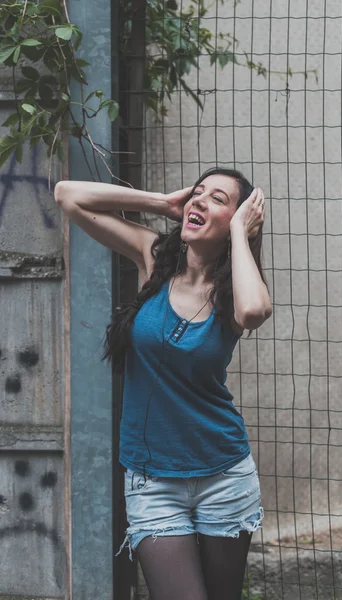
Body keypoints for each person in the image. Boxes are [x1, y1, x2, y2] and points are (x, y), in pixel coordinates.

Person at [55, 167, 272, 600]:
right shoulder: (153, 257)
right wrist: (160, 203)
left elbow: (252, 312)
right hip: (152, 480)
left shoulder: (232, 291)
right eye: (198, 192)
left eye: (218, 199)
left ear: (236, 220)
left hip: (223, 475)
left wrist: (237, 239)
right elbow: (67, 194)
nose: (200, 201)